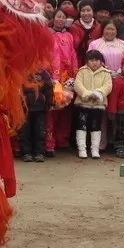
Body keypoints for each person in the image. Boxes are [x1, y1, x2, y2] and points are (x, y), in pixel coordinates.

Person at [46, 9, 78, 154]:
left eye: (63, 17)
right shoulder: (46, 34)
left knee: (65, 111)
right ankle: (49, 143)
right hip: (51, 76)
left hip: (66, 77)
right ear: (53, 18)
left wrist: (74, 74)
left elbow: (73, 56)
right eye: (58, 17)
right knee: (51, 111)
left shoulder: (69, 36)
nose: (60, 19)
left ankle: (62, 140)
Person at [73, 50, 112, 159]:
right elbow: (78, 85)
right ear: (87, 61)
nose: (94, 63)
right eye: (91, 60)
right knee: (82, 125)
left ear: (101, 61)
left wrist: (99, 93)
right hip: (83, 104)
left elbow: (108, 86)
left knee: (96, 126)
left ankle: (95, 149)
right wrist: (86, 93)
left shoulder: (106, 73)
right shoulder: (82, 71)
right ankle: (82, 149)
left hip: (98, 105)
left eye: (97, 60)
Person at [20, 70, 53, 162]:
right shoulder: (22, 71)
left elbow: (49, 89)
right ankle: (26, 152)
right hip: (24, 109)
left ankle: (39, 152)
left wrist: (48, 105)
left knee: (40, 131)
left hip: (40, 109)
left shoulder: (44, 73)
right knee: (25, 132)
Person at [70, 0, 102, 64]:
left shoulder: (99, 26)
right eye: (83, 11)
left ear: (93, 11)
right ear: (79, 12)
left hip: (95, 61)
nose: (86, 13)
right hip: (78, 60)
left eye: (88, 10)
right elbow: (73, 46)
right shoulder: (74, 27)